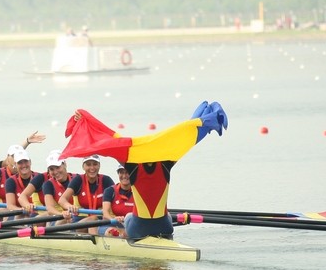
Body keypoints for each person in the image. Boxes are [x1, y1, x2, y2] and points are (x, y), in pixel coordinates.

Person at [59, 101, 228, 239]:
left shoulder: (132, 165)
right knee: (162, 216)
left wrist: (85, 118)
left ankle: (129, 238)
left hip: (138, 227)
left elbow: (108, 138)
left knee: (129, 217)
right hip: (165, 226)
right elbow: (189, 136)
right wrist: (202, 119)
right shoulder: (167, 163)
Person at [0, 131, 47, 204]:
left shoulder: (37, 176)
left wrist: (27, 142)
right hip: (1, 208)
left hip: (26, 209)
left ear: (30, 162)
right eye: (14, 156)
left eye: (24, 161)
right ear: (8, 157)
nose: (23, 164)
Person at [58, 154, 115, 233]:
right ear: (83, 167)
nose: (92, 168)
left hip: (101, 218)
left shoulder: (106, 180)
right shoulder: (78, 180)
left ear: (99, 166)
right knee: (92, 219)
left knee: (94, 220)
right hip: (80, 219)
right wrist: (70, 206)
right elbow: (62, 200)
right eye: (88, 165)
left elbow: (116, 200)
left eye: (95, 164)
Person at [99, 164, 134, 238]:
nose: (124, 176)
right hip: (111, 224)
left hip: (130, 225)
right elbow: (105, 213)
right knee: (112, 232)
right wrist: (113, 219)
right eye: (121, 172)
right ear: (118, 174)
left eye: (127, 172)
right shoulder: (109, 191)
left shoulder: (138, 192)